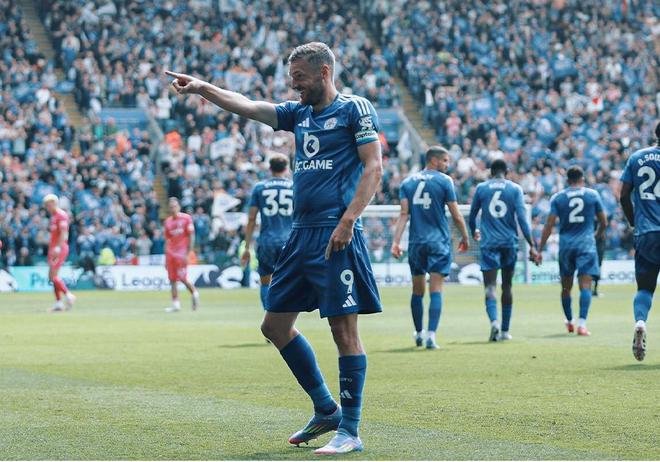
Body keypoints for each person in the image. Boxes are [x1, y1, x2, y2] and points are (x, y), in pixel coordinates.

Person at [166, 41, 383, 454]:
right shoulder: (298, 114)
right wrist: (201, 87)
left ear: (323, 72)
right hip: (299, 235)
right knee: (274, 327)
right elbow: (248, 105)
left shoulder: (355, 109)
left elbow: (374, 167)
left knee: (343, 330)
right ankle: (327, 409)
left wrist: (349, 220)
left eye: (299, 77)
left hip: (335, 232)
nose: (293, 84)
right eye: (291, 77)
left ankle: (350, 431)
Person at [390, 146, 469, 349]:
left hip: (416, 243)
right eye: (445, 161)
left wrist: (396, 242)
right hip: (438, 242)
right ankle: (431, 336)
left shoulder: (407, 182)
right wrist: (465, 236)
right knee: (436, 289)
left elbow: (403, 215)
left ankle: (418, 333)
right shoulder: (445, 181)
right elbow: (456, 214)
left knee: (417, 290)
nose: (447, 165)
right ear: (433, 160)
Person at [468, 159, 538, 341]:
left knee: (490, 286)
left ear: (491, 172)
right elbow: (522, 219)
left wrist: (474, 231)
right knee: (507, 286)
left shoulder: (482, 188)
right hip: (509, 243)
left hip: (489, 243)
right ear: (506, 172)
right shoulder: (515, 189)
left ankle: (494, 322)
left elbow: (472, 215)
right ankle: (505, 331)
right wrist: (532, 245)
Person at [537, 166, 607, 336]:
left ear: (567, 181)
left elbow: (549, 224)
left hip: (566, 247)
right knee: (586, 286)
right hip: (586, 245)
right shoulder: (592, 195)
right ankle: (582, 324)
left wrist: (540, 249)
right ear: (582, 179)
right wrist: (595, 236)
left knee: (566, 287)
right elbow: (604, 222)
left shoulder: (558, 198)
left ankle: (569, 321)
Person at [619, 122, 660, 361]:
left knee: (645, 288)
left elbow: (623, 195)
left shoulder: (637, 157)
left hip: (646, 232)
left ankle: (641, 321)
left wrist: (634, 222)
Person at [241, 154, 293, 310]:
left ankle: (269, 317)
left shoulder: (260, 187)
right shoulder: (294, 187)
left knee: (266, 281)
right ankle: (286, 318)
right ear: (286, 168)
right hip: (289, 241)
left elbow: (251, 218)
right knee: (289, 281)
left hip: (267, 241)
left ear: (270, 169)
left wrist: (247, 247)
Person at [163, 197, 199, 312]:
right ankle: (176, 304)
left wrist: (188, 253)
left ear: (178, 207)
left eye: (174, 206)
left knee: (183, 278)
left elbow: (191, 236)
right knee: (172, 279)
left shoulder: (186, 218)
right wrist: (165, 257)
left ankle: (194, 293)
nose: (173, 209)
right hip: (171, 255)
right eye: (171, 207)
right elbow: (167, 240)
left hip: (182, 254)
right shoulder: (167, 221)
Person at [43, 194, 75, 312]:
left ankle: (68, 295)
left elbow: (64, 233)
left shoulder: (61, 215)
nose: (47, 207)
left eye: (48, 204)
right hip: (54, 248)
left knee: (53, 275)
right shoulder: (53, 216)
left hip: (59, 248)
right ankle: (59, 303)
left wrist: (57, 248)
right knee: (52, 276)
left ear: (54, 203)